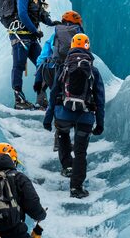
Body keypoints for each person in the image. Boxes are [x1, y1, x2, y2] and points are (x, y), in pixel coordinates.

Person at [44, 34, 106, 198]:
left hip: (63, 115)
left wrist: (48, 118)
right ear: (88, 46)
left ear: (71, 46)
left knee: (63, 134)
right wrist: (100, 123)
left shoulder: (64, 67)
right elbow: (100, 100)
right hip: (85, 116)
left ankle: (67, 166)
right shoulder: (93, 70)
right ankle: (76, 188)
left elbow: (53, 94)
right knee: (80, 152)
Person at [9, 0, 53, 109]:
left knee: (43, 64)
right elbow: (22, 14)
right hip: (20, 35)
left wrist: (52, 22)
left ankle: (41, 99)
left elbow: (40, 14)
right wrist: (34, 30)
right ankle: (19, 100)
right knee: (19, 65)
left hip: (31, 37)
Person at [32, 10, 84, 110]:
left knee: (45, 66)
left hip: (53, 72)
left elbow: (42, 58)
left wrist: (38, 79)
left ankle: (41, 102)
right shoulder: (79, 35)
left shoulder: (56, 35)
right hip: (72, 72)